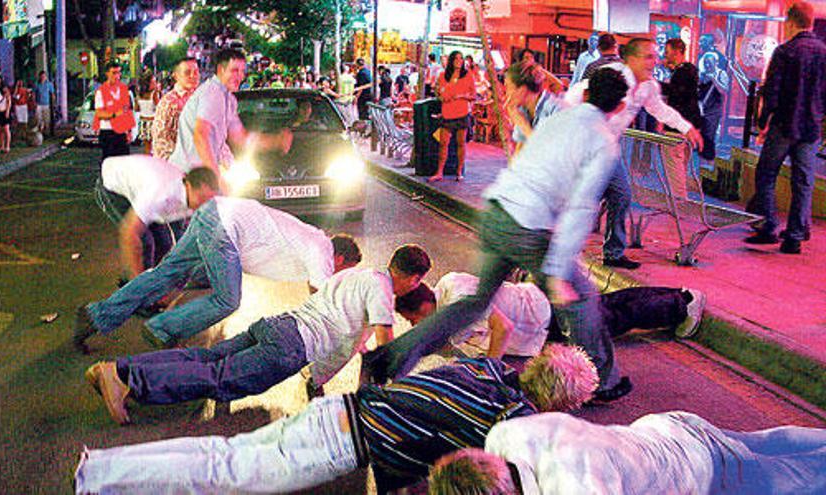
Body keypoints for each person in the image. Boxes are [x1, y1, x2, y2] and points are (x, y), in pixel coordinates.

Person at [362, 69, 632, 403]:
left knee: (474, 304)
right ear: (619, 108)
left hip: (496, 211)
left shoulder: (561, 117)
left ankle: (386, 360)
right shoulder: (604, 142)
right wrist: (560, 271)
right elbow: (580, 207)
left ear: (587, 95)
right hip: (529, 226)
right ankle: (601, 383)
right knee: (583, 298)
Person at [74, 343, 598, 493]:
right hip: (342, 441)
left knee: (223, 458)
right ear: (561, 404)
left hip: (341, 411)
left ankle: (101, 470)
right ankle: (99, 476)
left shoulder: (489, 369)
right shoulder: (509, 419)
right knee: (224, 472)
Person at [82, 244, 429, 425]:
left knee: (205, 360)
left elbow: (330, 317)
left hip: (279, 324)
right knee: (216, 378)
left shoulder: (354, 275)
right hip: (291, 346)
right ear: (413, 279)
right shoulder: (382, 291)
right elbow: (384, 346)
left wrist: (317, 379)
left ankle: (121, 369)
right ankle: (127, 380)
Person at [74, 197, 362, 351]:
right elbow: (323, 297)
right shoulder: (321, 249)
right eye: (343, 271)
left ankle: (96, 315)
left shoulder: (310, 238)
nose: (339, 276)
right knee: (228, 299)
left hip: (214, 213)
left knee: (169, 273)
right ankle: (162, 328)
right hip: (225, 228)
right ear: (339, 258)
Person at [430, 411, 826, 495]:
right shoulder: (503, 436)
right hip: (667, 426)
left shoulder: (574, 485)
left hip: (700, 469)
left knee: (803, 479)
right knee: (765, 441)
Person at [565, 38, 704, 270]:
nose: (654, 61)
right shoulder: (613, 75)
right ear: (631, 59)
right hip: (585, 147)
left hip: (609, 149)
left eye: (655, 56)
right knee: (583, 199)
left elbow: (660, 110)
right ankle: (567, 249)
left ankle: (613, 253)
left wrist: (686, 127)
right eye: (648, 57)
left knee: (621, 195)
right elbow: (577, 94)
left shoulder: (649, 87)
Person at [395, 273, 706, 360]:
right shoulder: (448, 282)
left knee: (614, 320)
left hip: (543, 320)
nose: (413, 325)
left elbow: (501, 328)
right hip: (537, 299)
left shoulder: (456, 308)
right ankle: (678, 293)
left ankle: (682, 306)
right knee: (609, 306)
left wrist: (490, 371)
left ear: (422, 307)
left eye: (411, 319)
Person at [745, 2, 826, 254]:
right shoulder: (824, 52)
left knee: (766, 174)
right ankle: (795, 236)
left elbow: (772, 91)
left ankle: (768, 226)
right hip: (811, 128)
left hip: (784, 125)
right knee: (803, 181)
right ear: (811, 22)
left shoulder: (785, 51)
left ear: (791, 22)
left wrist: (762, 122)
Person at [170, 49, 286, 185]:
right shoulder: (213, 93)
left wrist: (275, 141)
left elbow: (240, 137)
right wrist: (216, 179)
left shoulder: (229, 99)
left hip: (202, 176)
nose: (240, 76)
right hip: (191, 178)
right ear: (221, 70)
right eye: (235, 71)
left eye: (242, 71)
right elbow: (201, 136)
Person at [97, 157, 220, 281]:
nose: (204, 205)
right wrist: (138, 283)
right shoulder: (162, 194)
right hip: (113, 185)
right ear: (188, 185)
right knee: (145, 242)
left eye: (208, 200)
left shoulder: (195, 197)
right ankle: (133, 290)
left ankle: (153, 284)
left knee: (164, 244)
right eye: (201, 198)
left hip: (143, 187)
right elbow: (129, 234)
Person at [660, 39, 703, 200]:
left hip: (678, 126)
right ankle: (681, 197)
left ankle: (679, 200)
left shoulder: (682, 72)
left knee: (674, 164)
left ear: (677, 51)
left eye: (668, 51)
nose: (665, 54)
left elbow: (676, 93)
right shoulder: (690, 70)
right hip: (692, 123)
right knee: (682, 163)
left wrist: (655, 84)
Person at [429, 51, 476, 182]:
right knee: (443, 143)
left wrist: (461, 96)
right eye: (456, 58)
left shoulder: (468, 76)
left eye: (461, 58)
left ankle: (459, 171)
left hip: (462, 113)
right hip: (447, 113)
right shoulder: (443, 76)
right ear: (451, 60)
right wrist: (443, 94)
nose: (459, 61)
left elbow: (473, 96)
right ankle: (439, 172)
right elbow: (438, 93)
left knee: (461, 143)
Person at [504, 61, 565, 153]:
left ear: (522, 89)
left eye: (509, 87)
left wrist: (523, 124)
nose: (507, 93)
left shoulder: (555, 110)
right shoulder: (523, 109)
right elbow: (520, 148)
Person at [151, 58, 200, 161]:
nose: (193, 76)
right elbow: (161, 141)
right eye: (187, 73)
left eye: (196, 72)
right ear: (176, 75)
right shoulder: (169, 102)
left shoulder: (203, 98)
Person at [94, 62, 135, 160]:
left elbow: (127, 111)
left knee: (123, 162)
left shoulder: (124, 89)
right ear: (107, 73)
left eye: (119, 73)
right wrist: (115, 114)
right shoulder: (101, 91)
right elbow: (99, 113)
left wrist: (129, 131)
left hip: (122, 132)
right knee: (109, 162)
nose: (117, 76)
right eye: (114, 73)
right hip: (108, 131)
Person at [135, 72, 160, 155]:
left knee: (147, 148)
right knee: (155, 147)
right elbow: (160, 107)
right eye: (154, 82)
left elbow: (136, 108)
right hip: (152, 122)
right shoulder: (154, 93)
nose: (155, 84)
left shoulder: (139, 94)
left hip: (143, 122)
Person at [33, 71, 55, 136]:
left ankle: (46, 132)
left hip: (46, 104)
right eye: (42, 76)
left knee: (46, 119)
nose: (43, 77)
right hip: (39, 104)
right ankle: (40, 131)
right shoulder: (37, 84)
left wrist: (53, 103)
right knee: (38, 118)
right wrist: (34, 102)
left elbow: (52, 94)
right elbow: (34, 94)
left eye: (44, 76)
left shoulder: (49, 84)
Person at [0, 81, 12, 153]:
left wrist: (7, 111)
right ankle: (2, 145)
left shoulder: (6, 92)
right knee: (0, 130)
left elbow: (9, 101)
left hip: (4, 112)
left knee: (6, 129)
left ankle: (7, 146)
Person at [12, 80, 30, 144]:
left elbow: (28, 97)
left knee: (25, 121)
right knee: (18, 122)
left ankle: (24, 135)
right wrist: (16, 88)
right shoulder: (15, 90)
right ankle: (17, 137)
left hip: (24, 106)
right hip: (18, 106)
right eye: (19, 83)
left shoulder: (25, 90)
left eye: (21, 83)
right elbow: (15, 97)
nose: (20, 84)